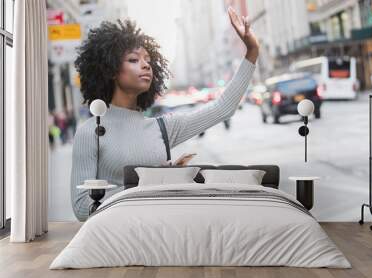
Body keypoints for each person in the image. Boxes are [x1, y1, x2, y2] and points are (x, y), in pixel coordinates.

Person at [71, 6, 259, 221]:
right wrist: (152, 186)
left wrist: (252, 51)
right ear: (111, 69)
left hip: (163, 232)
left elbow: (223, 108)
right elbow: (81, 207)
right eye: (134, 60)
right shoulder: (90, 133)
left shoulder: (162, 128)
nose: (146, 66)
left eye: (148, 61)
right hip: (119, 242)